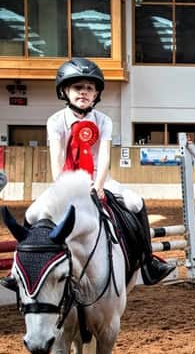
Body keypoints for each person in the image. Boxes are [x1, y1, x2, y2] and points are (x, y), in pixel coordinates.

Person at [0, 58, 175, 293]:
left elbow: (104, 156)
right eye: (77, 87)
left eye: (89, 88)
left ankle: (147, 261)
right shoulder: (55, 121)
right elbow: (57, 158)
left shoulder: (103, 121)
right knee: (32, 214)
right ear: (65, 91)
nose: (83, 92)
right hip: (66, 180)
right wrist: (64, 188)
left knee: (135, 202)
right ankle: (17, 270)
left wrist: (99, 185)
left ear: (96, 95)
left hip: (98, 178)